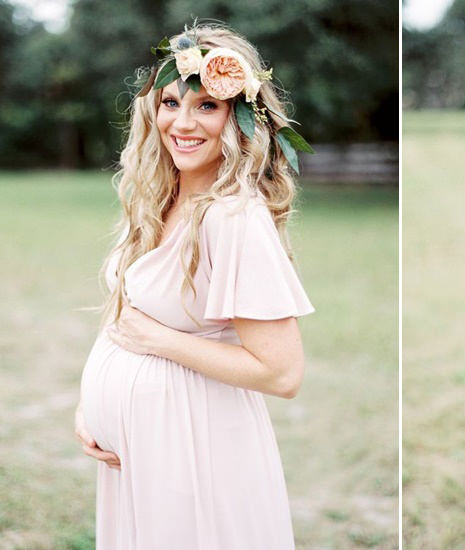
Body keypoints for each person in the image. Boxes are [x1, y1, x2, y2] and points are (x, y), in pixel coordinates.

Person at [73, 23, 314, 549]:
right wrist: (90, 407)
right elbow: (127, 315)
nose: (181, 123)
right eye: (169, 103)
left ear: (241, 116)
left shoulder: (233, 218)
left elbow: (283, 372)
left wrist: (161, 342)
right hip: (142, 452)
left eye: (206, 106)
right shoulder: (158, 198)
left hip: (195, 449)